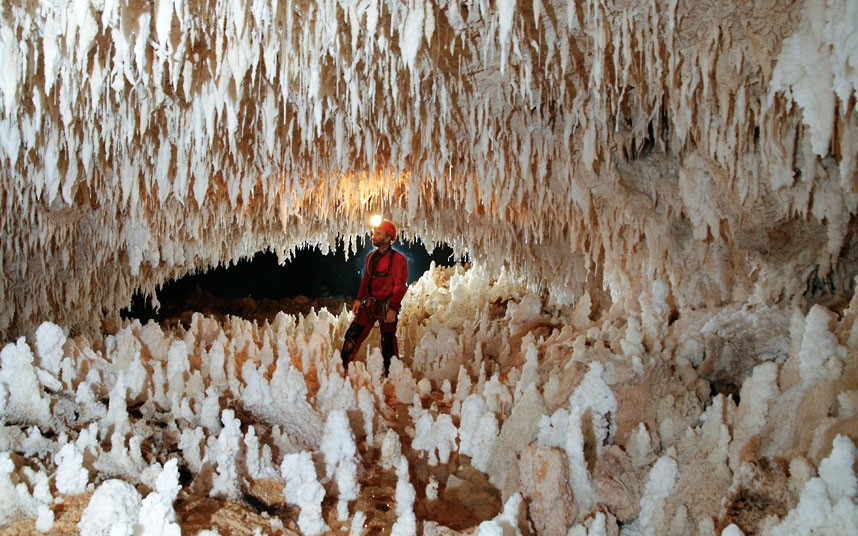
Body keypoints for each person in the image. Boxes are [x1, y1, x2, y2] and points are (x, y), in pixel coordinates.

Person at [341, 219, 408, 375]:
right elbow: (366, 279)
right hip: (370, 304)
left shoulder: (398, 260)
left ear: (388, 238)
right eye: (374, 232)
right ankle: (341, 370)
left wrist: (393, 308)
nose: (374, 236)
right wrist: (359, 299)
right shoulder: (371, 257)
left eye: (378, 233)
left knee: (388, 343)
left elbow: (400, 286)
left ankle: (393, 375)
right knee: (352, 336)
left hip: (387, 305)